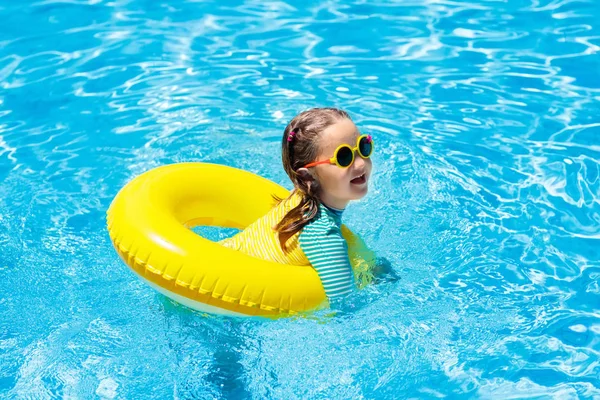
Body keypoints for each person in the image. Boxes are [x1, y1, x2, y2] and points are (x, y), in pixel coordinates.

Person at [220, 107, 376, 303]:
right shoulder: (323, 237)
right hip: (222, 297)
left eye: (363, 147)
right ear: (306, 175)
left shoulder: (297, 198)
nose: (361, 164)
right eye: (344, 157)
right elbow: (346, 306)